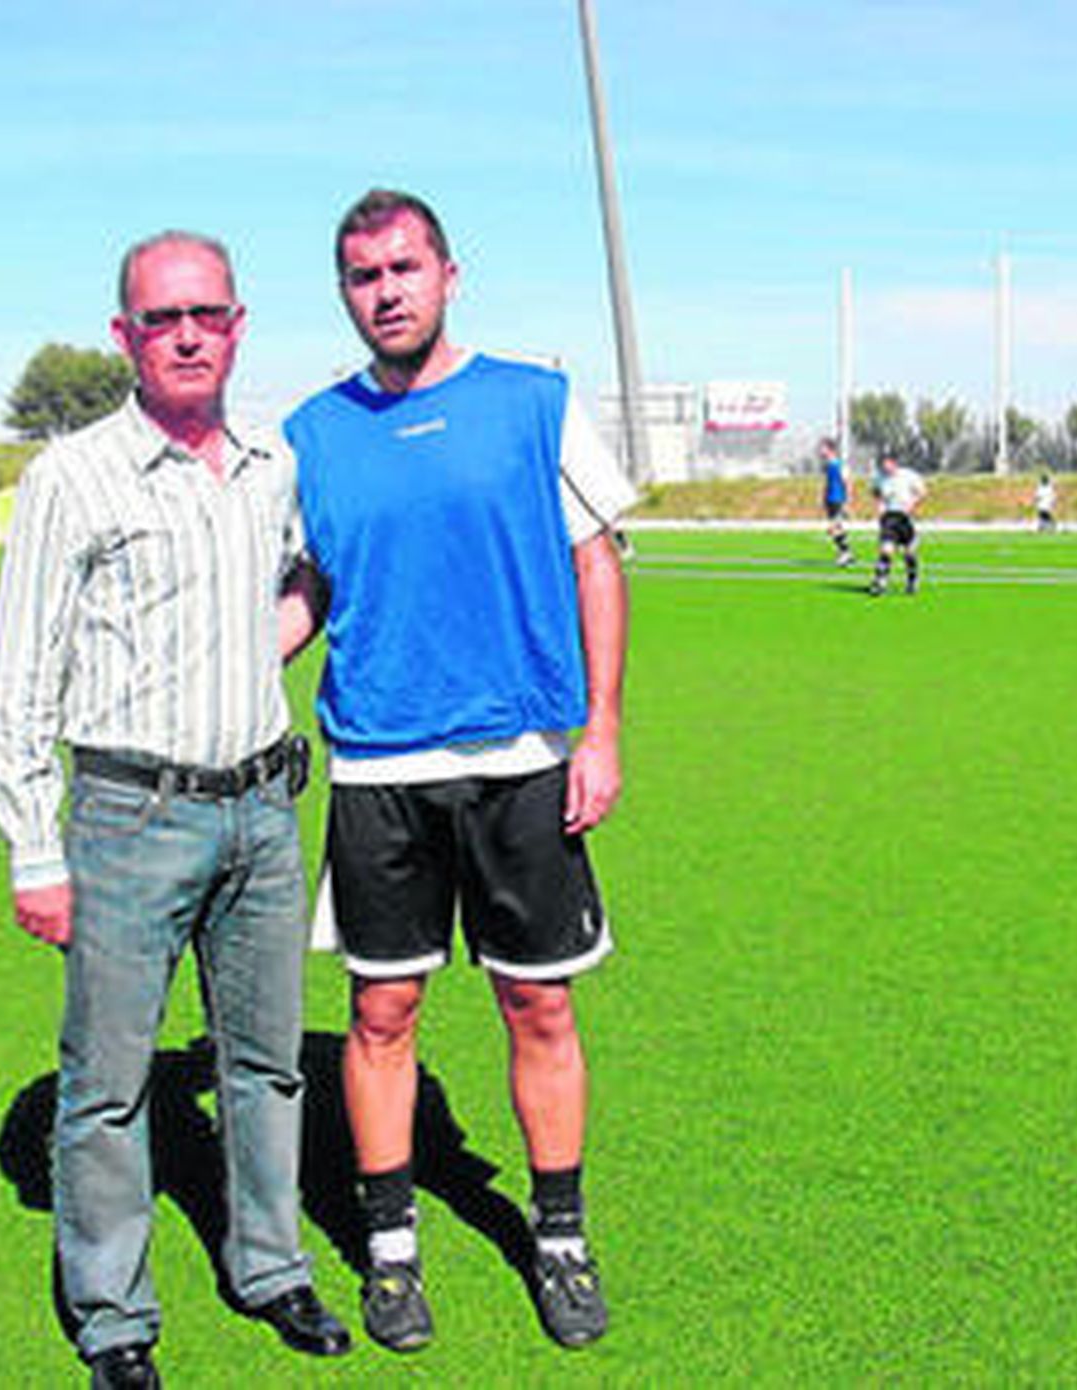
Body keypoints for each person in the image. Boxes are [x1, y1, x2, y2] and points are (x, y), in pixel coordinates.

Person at [0, 231, 350, 1388]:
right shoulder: (72, 476)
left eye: (206, 314)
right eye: (160, 319)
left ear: (238, 324)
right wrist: (34, 851)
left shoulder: (268, 465)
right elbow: (18, 680)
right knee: (107, 1080)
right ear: (124, 336)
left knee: (267, 1061)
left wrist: (257, 652)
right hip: (126, 817)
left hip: (260, 813)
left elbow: (308, 578)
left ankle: (271, 1263)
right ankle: (112, 1312)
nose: (185, 335)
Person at [284, 190, 635, 1354]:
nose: (383, 291)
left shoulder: (533, 403)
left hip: (524, 761)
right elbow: (306, 594)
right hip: (379, 766)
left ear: (448, 273)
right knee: (380, 1010)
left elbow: (596, 566)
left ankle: (561, 1235)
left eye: (401, 268)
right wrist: (216, 662)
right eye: (360, 276)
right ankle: (390, 1250)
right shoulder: (311, 433)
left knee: (537, 1001)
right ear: (344, 292)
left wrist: (602, 730)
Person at [866, 454, 927, 595]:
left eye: (887, 464)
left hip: (905, 517)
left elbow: (922, 492)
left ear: (894, 463)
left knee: (909, 552)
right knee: (886, 550)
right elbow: (874, 491)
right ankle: (880, 582)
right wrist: (880, 503)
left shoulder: (908, 475)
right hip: (888, 518)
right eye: (883, 465)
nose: (885, 467)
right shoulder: (880, 478)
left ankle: (912, 580)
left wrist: (913, 504)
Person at [818, 435, 855, 565]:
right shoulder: (828, 465)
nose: (820, 451)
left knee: (832, 529)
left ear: (830, 449)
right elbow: (828, 484)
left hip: (838, 500)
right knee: (837, 528)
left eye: (822, 448)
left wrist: (848, 502)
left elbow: (848, 483)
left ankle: (846, 552)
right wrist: (823, 498)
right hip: (830, 500)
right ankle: (845, 553)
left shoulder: (839, 465)